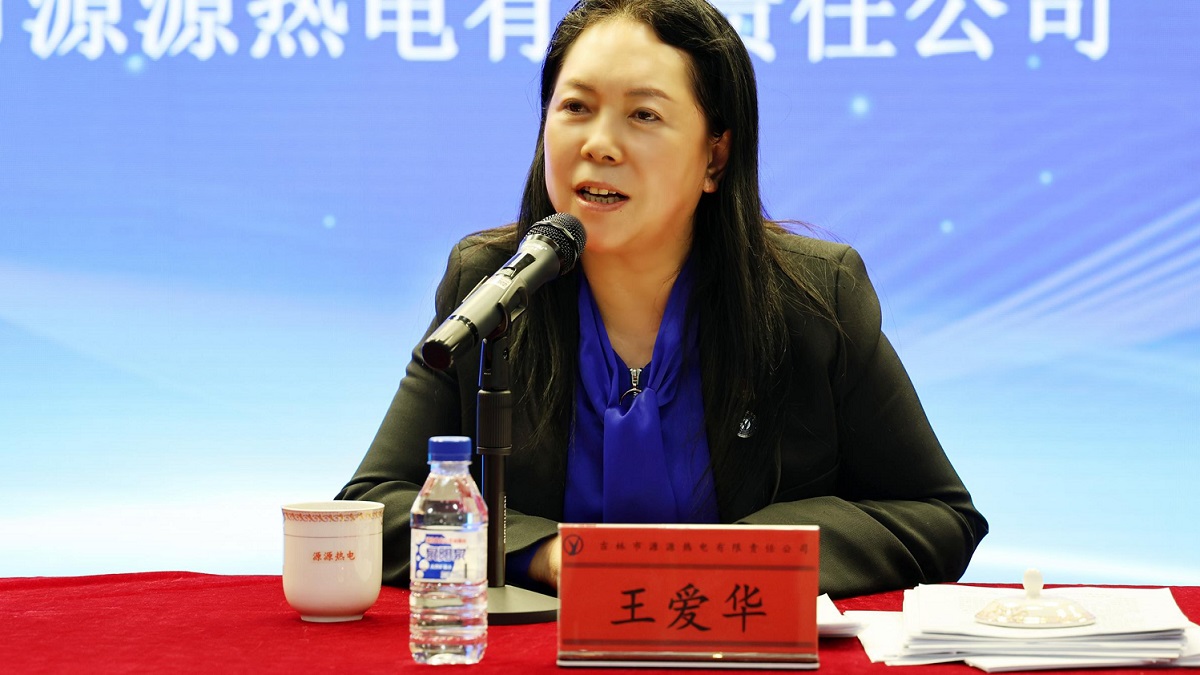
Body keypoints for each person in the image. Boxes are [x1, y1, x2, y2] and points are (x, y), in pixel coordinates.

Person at [337, 0, 987, 599]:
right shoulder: (492, 288)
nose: (599, 143)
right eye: (576, 107)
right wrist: (546, 554)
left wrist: (736, 557)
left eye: (643, 115)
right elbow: (373, 505)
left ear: (715, 157)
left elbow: (937, 516)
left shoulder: (814, 298)